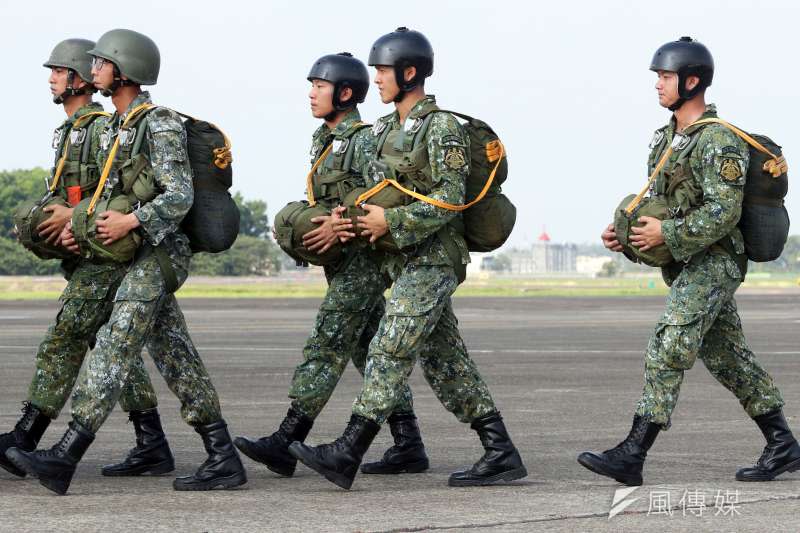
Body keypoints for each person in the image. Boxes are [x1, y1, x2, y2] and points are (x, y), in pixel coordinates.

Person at [6, 28, 246, 495]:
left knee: (115, 345)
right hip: (137, 253)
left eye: (101, 62)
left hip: (160, 252)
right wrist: (86, 221)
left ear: (125, 69)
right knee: (176, 355)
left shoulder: (157, 123)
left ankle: (67, 454)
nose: (92, 68)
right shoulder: (120, 127)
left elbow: (179, 196)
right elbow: (110, 195)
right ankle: (222, 455)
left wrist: (130, 223)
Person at [289, 28, 527, 490]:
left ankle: (348, 449)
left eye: (383, 71)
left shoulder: (442, 128)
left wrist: (392, 225)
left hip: (435, 259)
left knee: (388, 347)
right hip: (399, 261)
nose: (375, 79)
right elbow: (381, 191)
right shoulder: (382, 130)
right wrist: (351, 214)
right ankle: (500, 450)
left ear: (410, 72)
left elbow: (450, 199)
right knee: (446, 362)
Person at [578, 36, 800, 486]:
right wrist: (630, 236)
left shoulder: (719, 141)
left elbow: (724, 210)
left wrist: (669, 234)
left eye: (665, 77)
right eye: (657, 77)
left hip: (715, 262)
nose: (658, 85)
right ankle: (783, 445)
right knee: (728, 358)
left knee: (668, 345)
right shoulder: (666, 139)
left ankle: (633, 453)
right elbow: (660, 205)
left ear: (691, 80)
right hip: (686, 263)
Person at [234, 52, 428, 477]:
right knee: (367, 349)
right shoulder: (325, 140)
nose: (311, 93)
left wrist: (343, 222)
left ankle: (287, 438)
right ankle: (408, 443)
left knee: (327, 343)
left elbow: (388, 193)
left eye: (319, 86)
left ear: (344, 93)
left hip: (363, 260)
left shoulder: (363, 139)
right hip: (343, 263)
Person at [0, 38, 170, 480]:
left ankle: (28, 434)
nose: (52, 78)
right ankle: (151, 441)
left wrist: (77, 223)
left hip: (106, 252)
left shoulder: (100, 128)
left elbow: (111, 193)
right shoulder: (69, 131)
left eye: (58, 70)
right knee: (116, 350)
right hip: (88, 251)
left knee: (68, 338)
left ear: (77, 79)